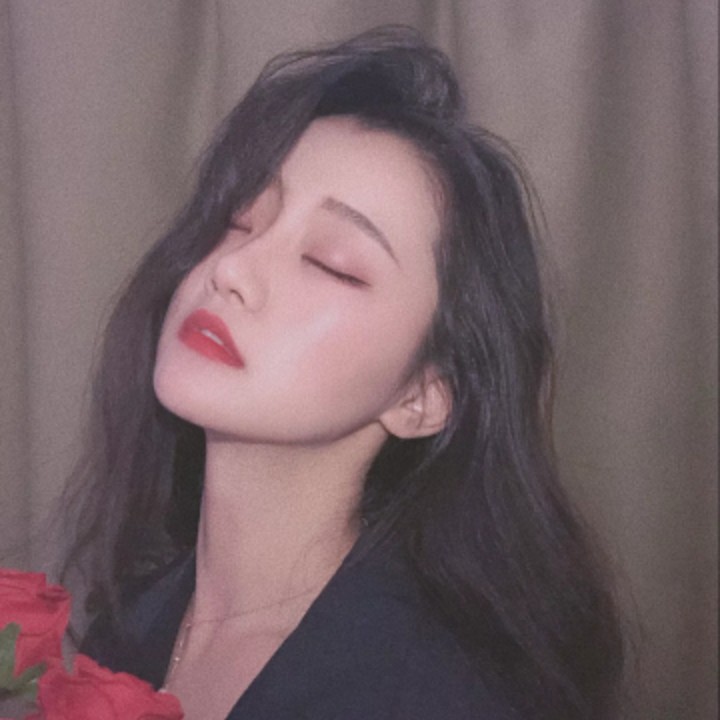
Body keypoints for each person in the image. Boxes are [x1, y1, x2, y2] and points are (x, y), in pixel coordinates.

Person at [60, 25, 624, 720]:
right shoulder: (129, 629)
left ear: (423, 394)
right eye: (239, 220)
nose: (231, 269)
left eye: (331, 263)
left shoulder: (440, 694)